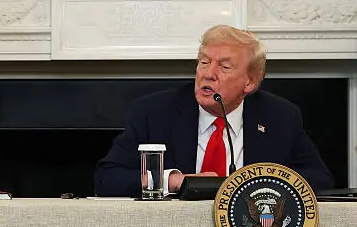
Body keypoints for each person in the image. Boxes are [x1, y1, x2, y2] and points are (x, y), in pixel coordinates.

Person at [94, 25, 333, 197]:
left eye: (225, 67)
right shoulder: (154, 111)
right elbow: (107, 179)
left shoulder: (280, 116)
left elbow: (321, 181)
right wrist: (175, 181)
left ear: (249, 83)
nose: (208, 74)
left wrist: (261, 185)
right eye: (204, 62)